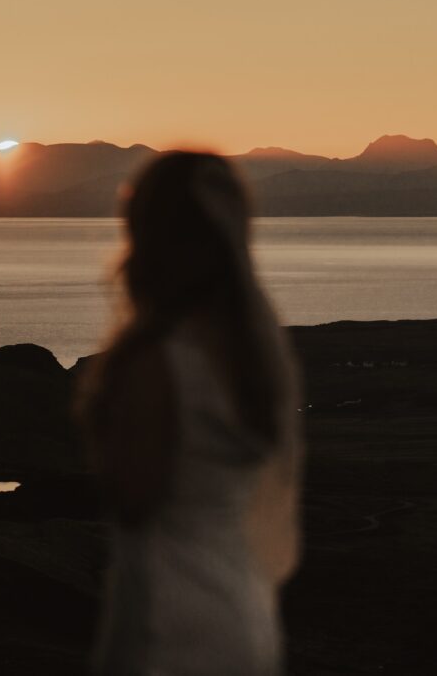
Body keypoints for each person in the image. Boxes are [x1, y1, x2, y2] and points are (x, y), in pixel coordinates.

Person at [76, 152, 304, 675]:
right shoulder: (249, 358)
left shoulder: (159, 361)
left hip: (173, 618)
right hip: (245, 613)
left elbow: (135, 498)